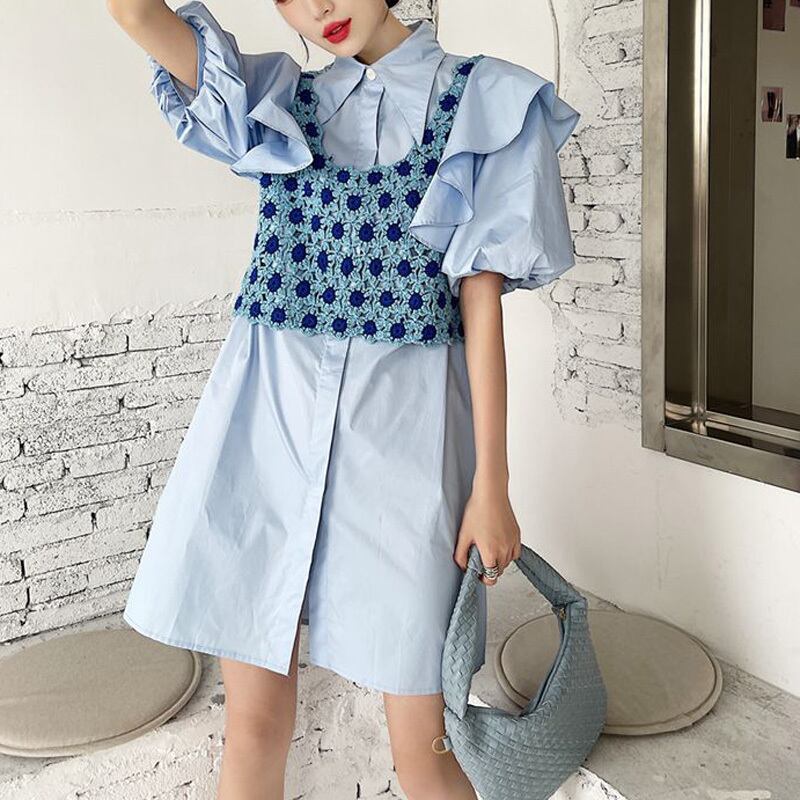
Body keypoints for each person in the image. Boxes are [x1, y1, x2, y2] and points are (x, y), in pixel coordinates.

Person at [106, 0, 580, 797]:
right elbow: (132, 12)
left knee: (425, 750)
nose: (317, 6)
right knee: (252, 729)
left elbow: (481, 309)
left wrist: (491, 485)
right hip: (262, 437)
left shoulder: (484, 103)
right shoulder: (273, 102)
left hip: (404, 452)